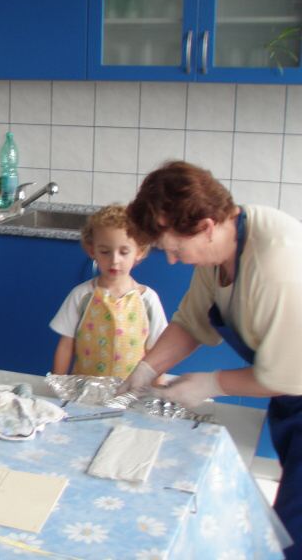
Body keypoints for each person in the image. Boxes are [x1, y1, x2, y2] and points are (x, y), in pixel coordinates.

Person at [119, 160, 302, 558]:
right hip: (291, 400)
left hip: (293, 382)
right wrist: (145, 369)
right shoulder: (220, 249)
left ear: (205, 227)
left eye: (175, 249)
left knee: (296, 530)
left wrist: (211, 383)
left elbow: (288, 374)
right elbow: (191, 322)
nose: (172, 260)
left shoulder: (277, 265)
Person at [49, 205, 168, 377]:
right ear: (92, 251)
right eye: (105, 252)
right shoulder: (81, 296)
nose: (114, 260)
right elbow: (66, 345)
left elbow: (156, 352)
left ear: (139, 252)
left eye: (124, 252)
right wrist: (56, 383)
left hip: (131, 391)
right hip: (84, 389)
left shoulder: (148, 300)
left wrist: (159, 389)